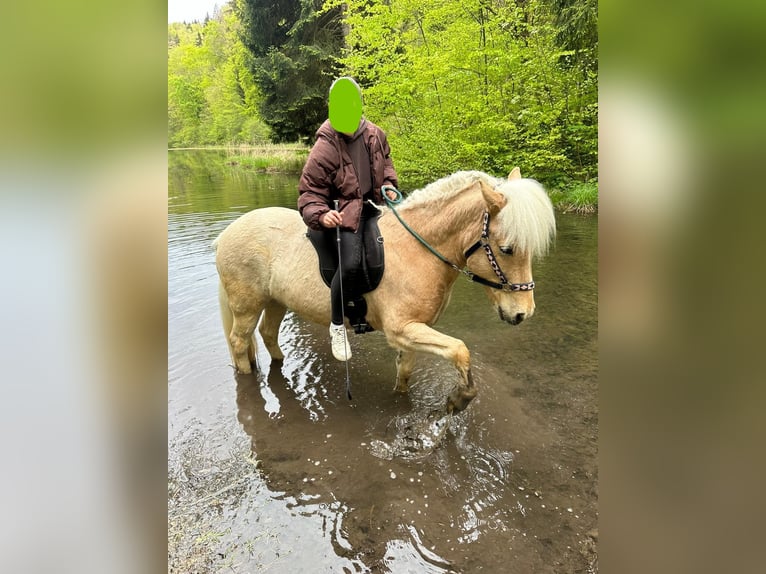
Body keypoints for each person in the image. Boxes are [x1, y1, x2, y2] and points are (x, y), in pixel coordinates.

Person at [298, 77, 399, 361]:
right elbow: (308, 193)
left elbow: (387, 164)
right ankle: (337, 325)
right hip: (343, 212)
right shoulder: (325, 147)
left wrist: (389, 185)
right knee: (351, 262)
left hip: (373, 206)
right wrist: (321, 214)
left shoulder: (376, 135)